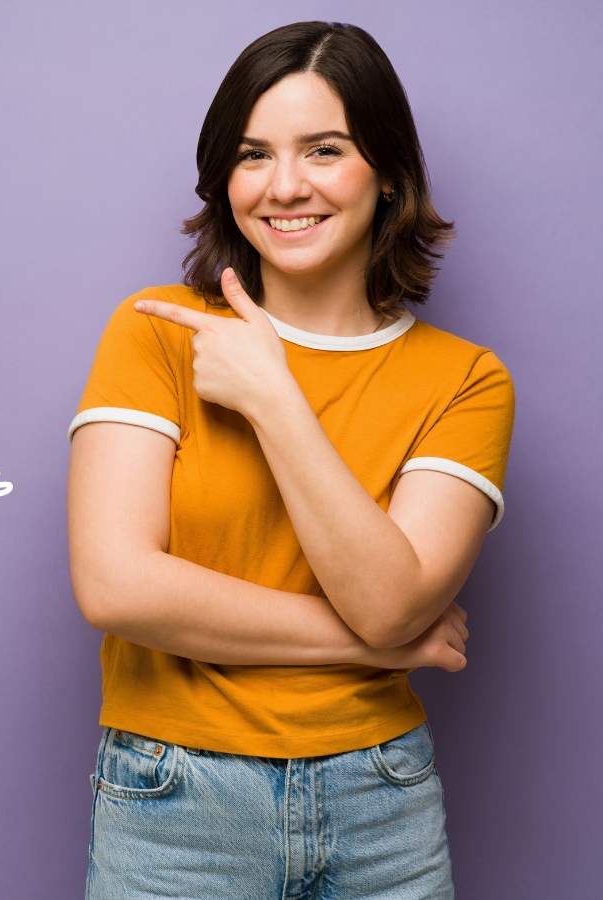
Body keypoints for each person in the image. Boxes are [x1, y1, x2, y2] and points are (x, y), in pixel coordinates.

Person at [66, 21, 514, 900]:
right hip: (171, 806)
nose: (284, 186)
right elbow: (115, 587)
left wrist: (273, 396)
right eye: (252, 155)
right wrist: (381, 649)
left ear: (386, 171)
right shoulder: (161, 332)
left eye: (323, 149)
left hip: (381, 806)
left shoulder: (466, 381)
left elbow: (389, 598)